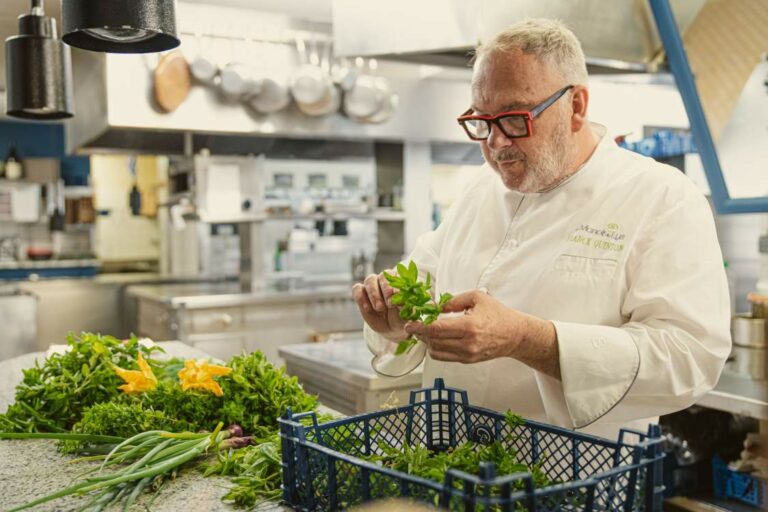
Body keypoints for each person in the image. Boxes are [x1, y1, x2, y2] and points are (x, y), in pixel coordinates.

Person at [351, 18, 731, 440]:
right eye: (481, 121)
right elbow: (423, 281)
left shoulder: (661, 197)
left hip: (573, 479)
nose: (495, 143)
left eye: (514, 118)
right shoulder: (478, 191)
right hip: (453, 468)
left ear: (577, 106)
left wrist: (529, 339)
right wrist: (392, 319)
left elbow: (690, 357)